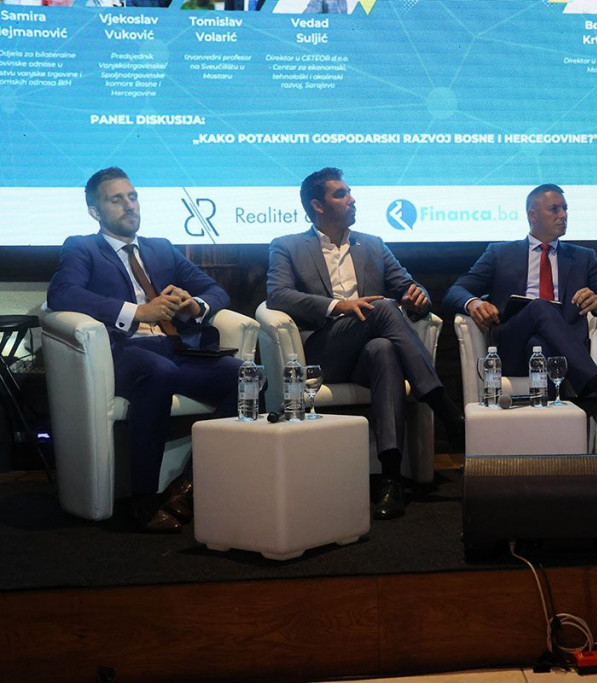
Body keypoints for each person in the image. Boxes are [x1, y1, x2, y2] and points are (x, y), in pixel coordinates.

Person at [47, 167, 241, 533]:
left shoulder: (160, 248)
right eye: (116, 199)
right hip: (124, 350)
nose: (129, 205)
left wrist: (193, 305)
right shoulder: (82, 248)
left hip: (174, 347)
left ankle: (189, 486)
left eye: (133, 196)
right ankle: (143, 499)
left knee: (246, 376)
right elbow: (62, 294)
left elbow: (215, 291)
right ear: (95, 211)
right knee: (159, 371)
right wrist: (136, 312)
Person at [266, 167, 463, 521]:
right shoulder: (288, 246)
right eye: (341, 194)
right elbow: (278, 295)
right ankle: (445, 409)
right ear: (318, 206)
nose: (352, 198)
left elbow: (407, 286)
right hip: (324, 352)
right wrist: (337, 306)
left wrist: (418, 296)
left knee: (383, 350)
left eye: (350, 191)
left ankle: (391, 478)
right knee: (383, 307)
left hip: (366, 355)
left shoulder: (372, 244)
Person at [443, 183, 597, 426]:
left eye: (565, 208)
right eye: (554, 209)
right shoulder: (500, 253)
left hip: (562, 353)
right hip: (512, 347)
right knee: (540, 307)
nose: (563, 215)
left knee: (540, 344)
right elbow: (455, 291)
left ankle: (551, 433)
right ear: (532, 215)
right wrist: (473, 303)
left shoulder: (582, 257)